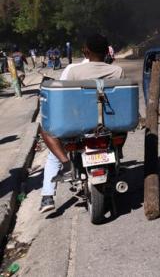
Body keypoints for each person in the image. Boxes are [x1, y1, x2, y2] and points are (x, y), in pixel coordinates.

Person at [39, 34, 125, 213]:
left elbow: (64, 98)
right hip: (109, 124)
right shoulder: (117, 71)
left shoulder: (73, 71)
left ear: (86, 51)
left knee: (45, 129)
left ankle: (66, 164)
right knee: (121, 132)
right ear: (106, 51)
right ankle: (117, 154)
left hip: (80, 125)